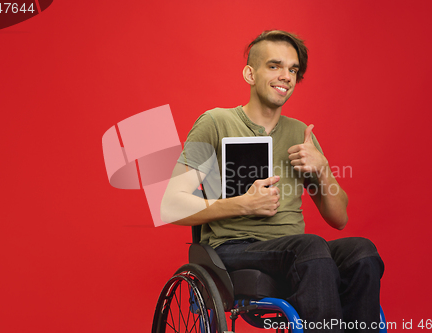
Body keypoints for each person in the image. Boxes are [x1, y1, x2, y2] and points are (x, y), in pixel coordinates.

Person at [161, 30, 384, 332]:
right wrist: (243, 203)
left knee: (362, 251)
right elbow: (171, 206)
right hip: (233, 247)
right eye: (275, 66)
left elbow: (339, 218)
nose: (286, 76)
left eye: (293, 69)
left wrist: (322, 168)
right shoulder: (216, 123)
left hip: (296, 251)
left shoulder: (300, 134)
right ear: (250, 73)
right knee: (310, 249)